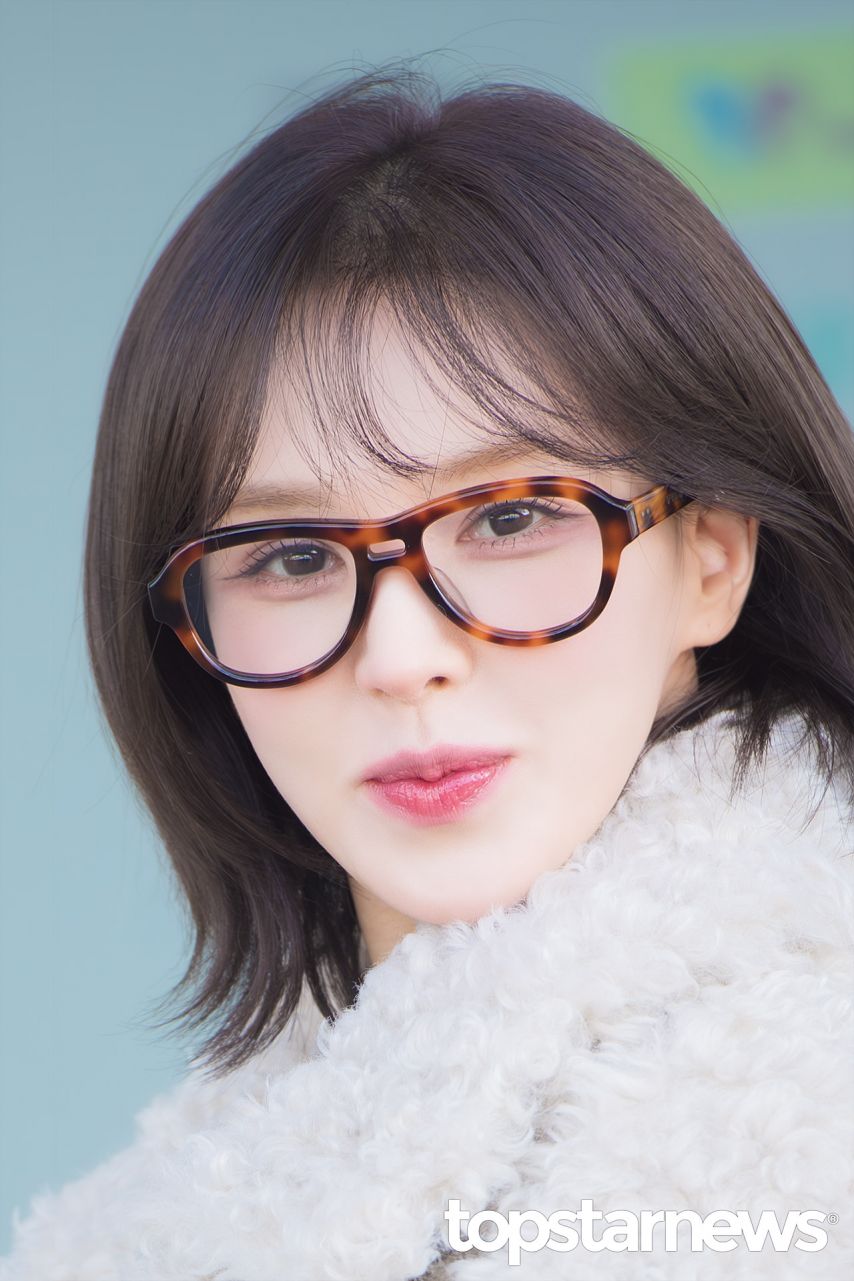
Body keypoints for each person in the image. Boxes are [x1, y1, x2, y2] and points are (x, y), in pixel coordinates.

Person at [2, 64, 853, 1281]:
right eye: (290, 555)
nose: (401, 661)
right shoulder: (124, 1237)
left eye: (509, 519)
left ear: (711, 557)